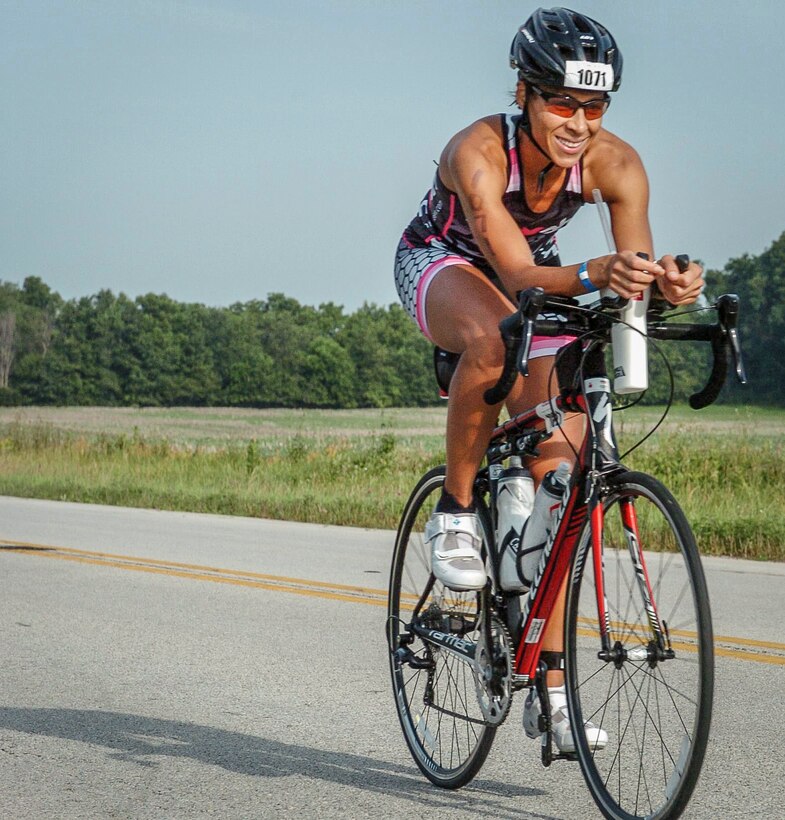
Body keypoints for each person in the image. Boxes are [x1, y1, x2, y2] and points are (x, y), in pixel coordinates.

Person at [393, 7, 704, 753]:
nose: (577, 122)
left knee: (564, 473)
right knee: (494, 343)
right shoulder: (476, 149)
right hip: (448, 265)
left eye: (593, 106)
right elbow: (517, 272)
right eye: (561, 102)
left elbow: (628, 278)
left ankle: (552, 695)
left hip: (539, 282)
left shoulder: (616, 164)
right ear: (524, 91)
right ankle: (458, 512)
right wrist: (596, 272)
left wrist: (664, 284)